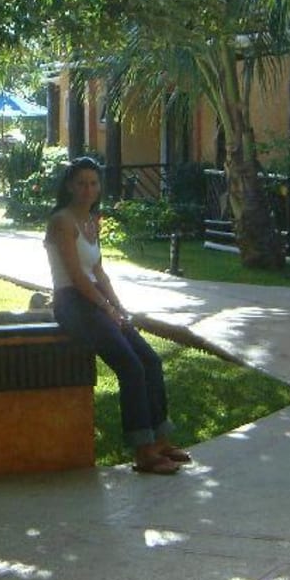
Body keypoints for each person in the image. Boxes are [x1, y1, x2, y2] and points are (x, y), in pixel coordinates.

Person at [45, 157, 190, 475]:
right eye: (81, 183)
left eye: (93, 183)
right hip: (73, 303)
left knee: (150, 360)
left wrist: (119, 307)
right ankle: (144, 452)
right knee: (130, 366)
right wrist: (107, 308)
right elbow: (77, 277)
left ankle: (161, 441)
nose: (88, 189)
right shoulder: (62, 221)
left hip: (95, 300)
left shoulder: (91, 221)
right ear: (69, 186)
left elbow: (98, 271)